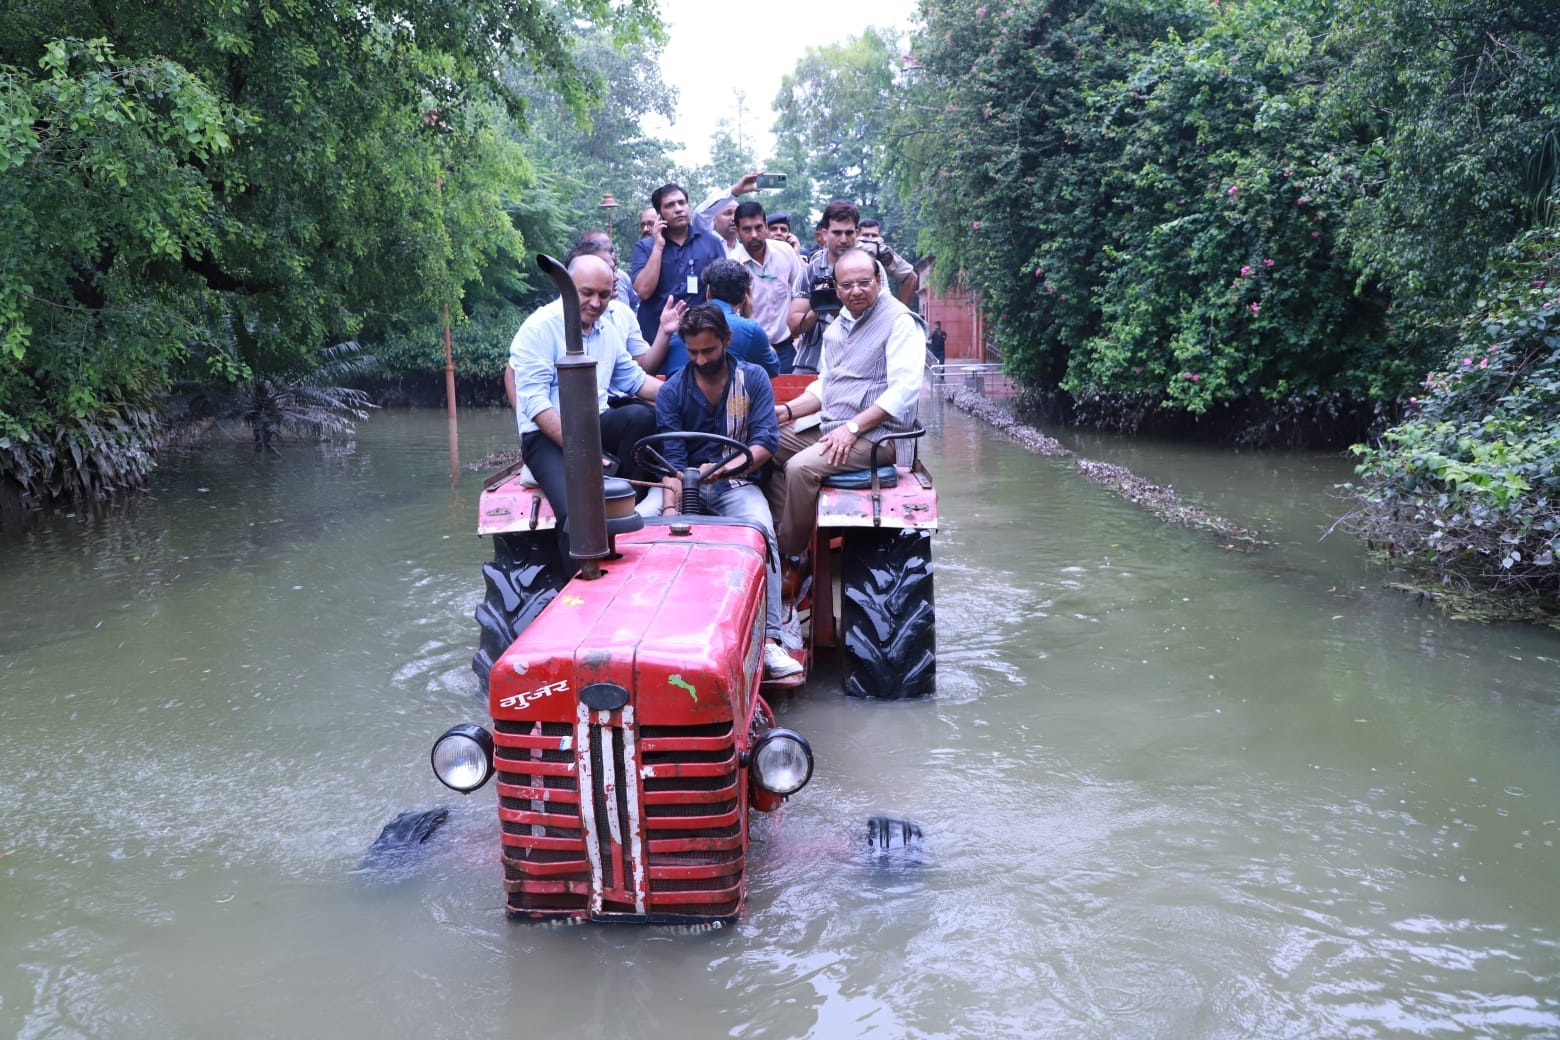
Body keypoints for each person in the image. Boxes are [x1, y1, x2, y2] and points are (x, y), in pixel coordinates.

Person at [653, 304, 803, 679]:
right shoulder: (672, 390)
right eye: (693, 353)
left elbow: (765, 443)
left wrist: (719, 471)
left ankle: (769, 642)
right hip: (681, 486)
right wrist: (671, 511)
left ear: (727, 340)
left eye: (709, 350)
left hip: (737, 484)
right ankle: (655, 635)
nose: (701, 359)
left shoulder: (752, 379)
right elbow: (671, 460)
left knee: (760, 529)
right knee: (640, 528)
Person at [510, 254, 680, 561]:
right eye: (586, 293)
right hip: (547, 436)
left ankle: (626, 501)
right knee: (577, 516)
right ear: (567, 289)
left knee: (642, 416)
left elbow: (635, 381)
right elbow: (535, 404)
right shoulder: (539, 328)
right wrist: (581, 451)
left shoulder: (607, 328)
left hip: (595, 425)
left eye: (603, 295)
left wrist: (685, 394)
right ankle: (577, 587)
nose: (595, 303)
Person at [767, 247, 924, 560]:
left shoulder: (900, 322)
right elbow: (826, 383)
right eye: (847, 285)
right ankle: (780, 530)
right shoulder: (838, 327)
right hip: (833, 426)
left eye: (864, 282)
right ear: (836, 289)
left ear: (879, 281)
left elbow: (904, 391)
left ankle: (788, 557)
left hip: (878, 437)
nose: (856, 291)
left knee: (799, 468)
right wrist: (784, 412)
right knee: (765, 443)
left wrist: (852, 429)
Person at [788, 200, 891, 374]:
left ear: (857, 233)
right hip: (812, 362)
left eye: (849, 233)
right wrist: (818, 306)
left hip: (861, 361)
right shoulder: (809, 273)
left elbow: (886, 315)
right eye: (837, 233)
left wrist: (846, 310)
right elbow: (793, 327)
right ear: (824, 233)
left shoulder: (873, 268)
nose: (843, 239)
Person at [631, 182, 728, 344]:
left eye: (682, 203)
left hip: (700, 338)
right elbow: (643, 291)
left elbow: (723, 292)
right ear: (659, 214)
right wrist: (658, 246)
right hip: (654, 337)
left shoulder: (711, 242)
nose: (678, 209)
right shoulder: (645, 247)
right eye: (670, 205)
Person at [662, 259, 779, 377]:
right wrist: (750, 318)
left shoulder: (679, 324)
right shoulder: (750, 329)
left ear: (708, 292)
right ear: (746, 296)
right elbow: (773, 370)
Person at [732, 200, 805, 373]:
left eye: (758, 227)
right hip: (750, 349)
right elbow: (733, 312)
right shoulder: (733, 264)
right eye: (747, 229)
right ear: (737, 232)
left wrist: (801, 334)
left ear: (766, 226)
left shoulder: (785, 252)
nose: (754, 235)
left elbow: (800, 292)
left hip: (786, 347)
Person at [856, 218, 919, 306]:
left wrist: (899, 312)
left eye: (874, 236)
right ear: (856, 234)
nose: (870, 241)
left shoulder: (883, 253)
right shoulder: (843, 250)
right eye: (865, 236)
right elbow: (831, 281)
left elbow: (911, 277)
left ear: (879, 236)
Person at [582, 228, 639, 316]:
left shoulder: (622, 278)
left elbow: (635, 304)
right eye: (602, 250)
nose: (609, 256)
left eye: (610, 250)